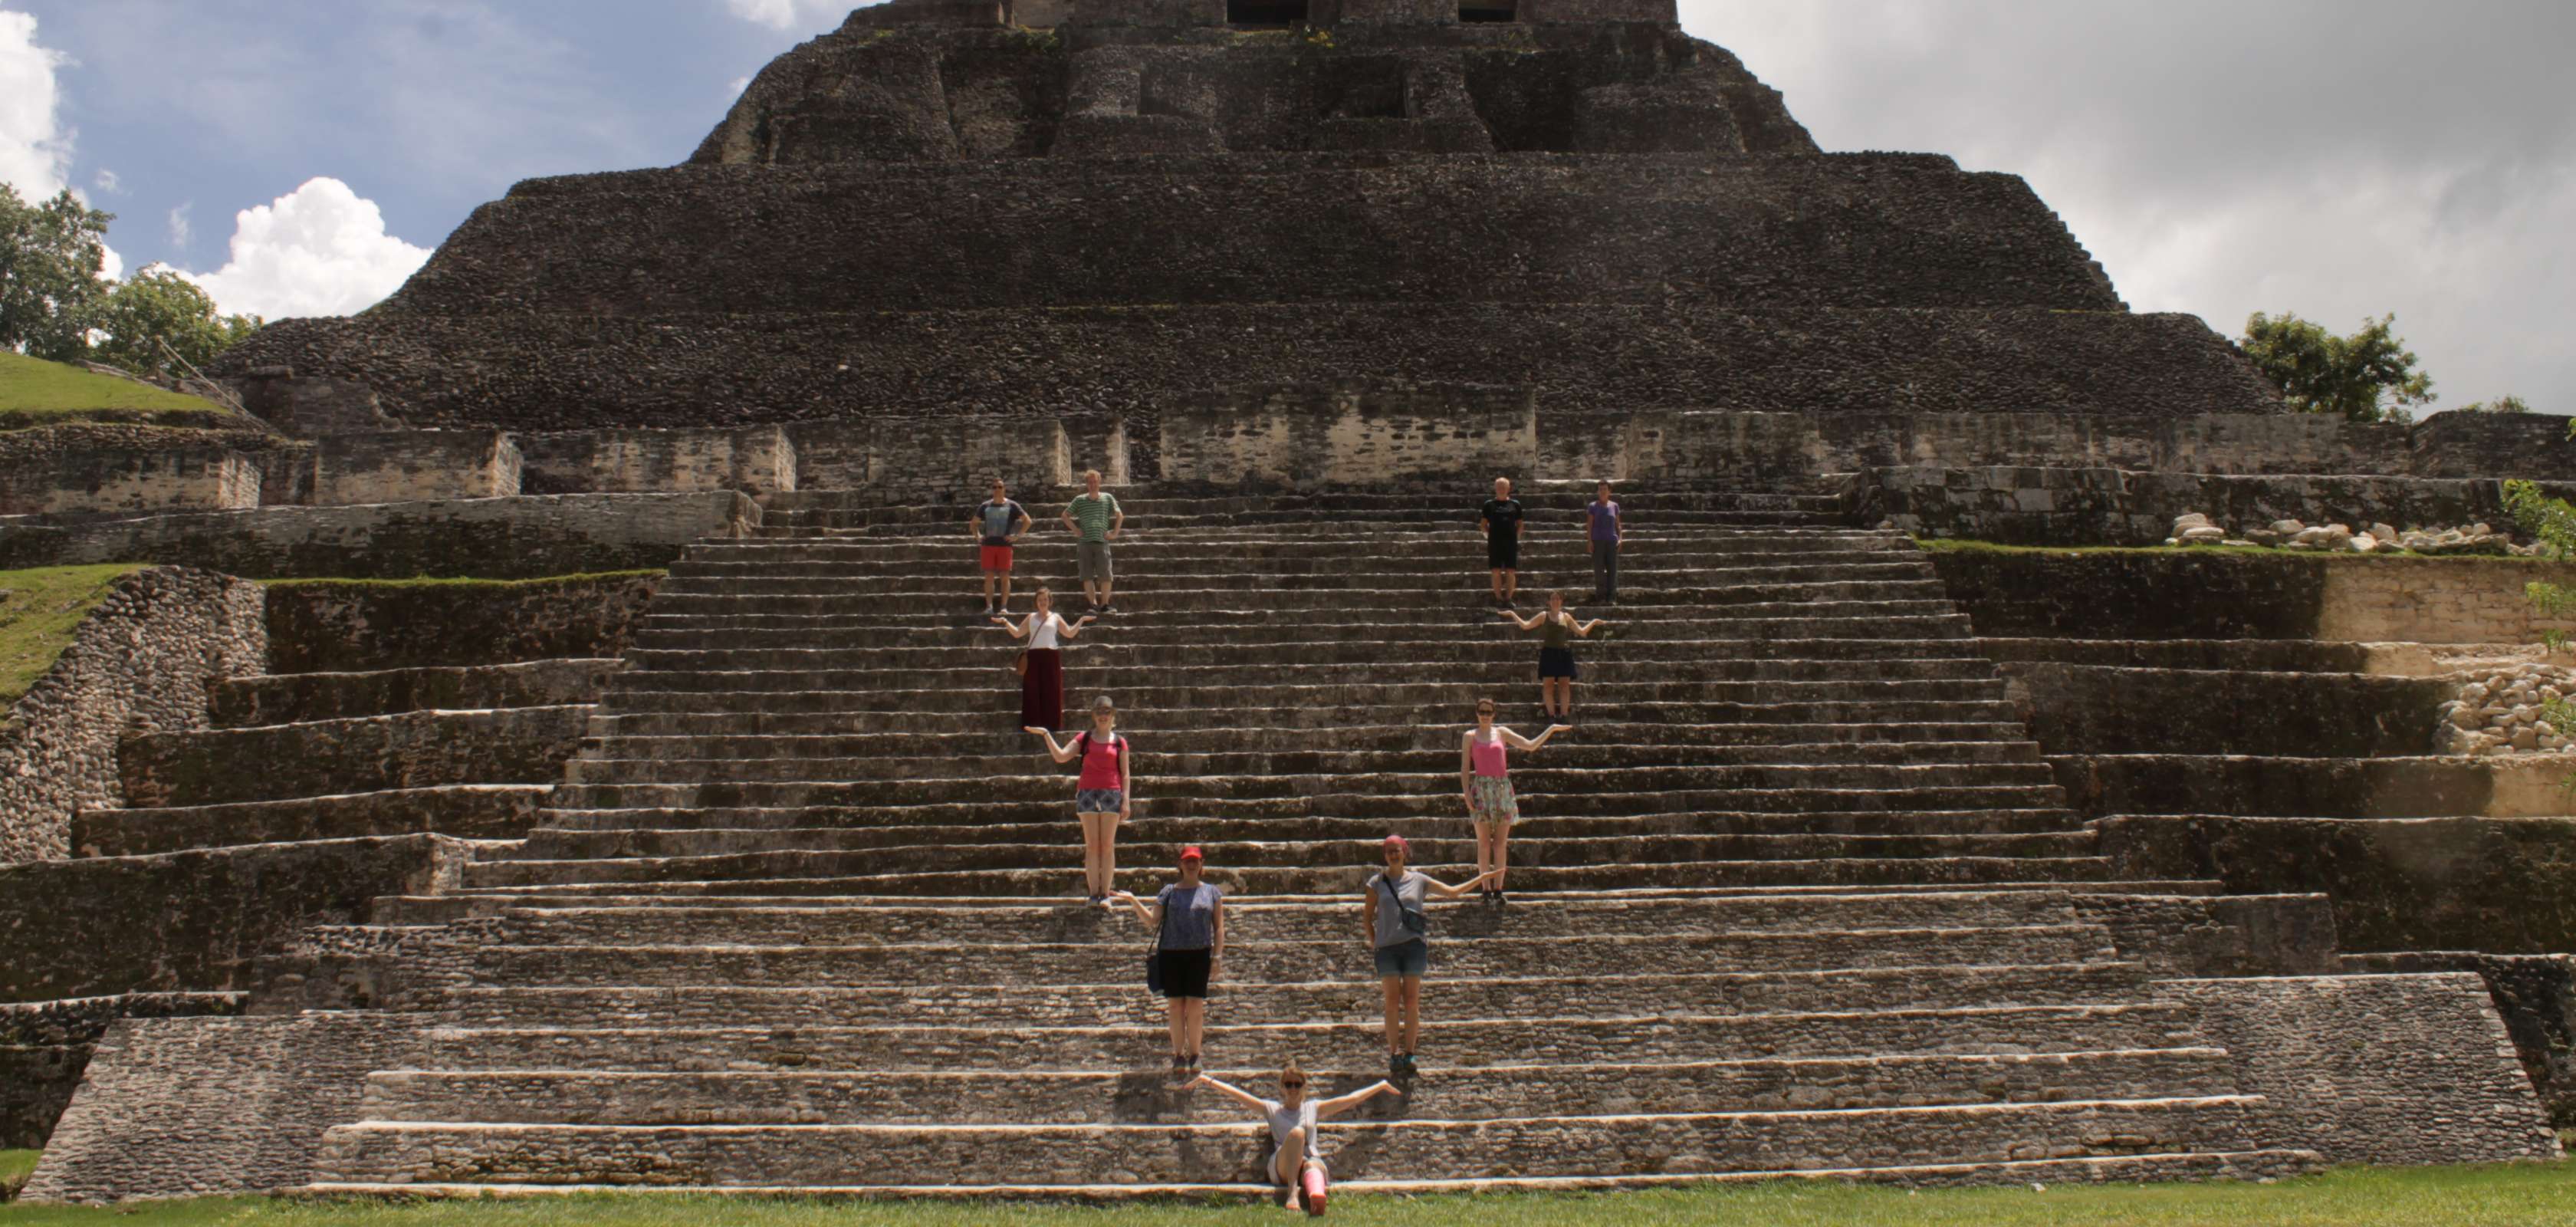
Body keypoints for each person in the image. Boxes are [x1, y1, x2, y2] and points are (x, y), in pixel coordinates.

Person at [1190, 1064, 1403, 1215]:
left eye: (1297, 1084)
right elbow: (1239, 1096)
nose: (1293, 1089)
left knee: (1312, 1163)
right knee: (1298, 1133)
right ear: (1282, 1088)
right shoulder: (1272, 1109)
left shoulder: (1313, 1108)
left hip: (1309, 1162)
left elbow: (1349, 1100)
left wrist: (1381, 1085)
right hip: (1282, 1165)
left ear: (1304, 1088)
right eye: (1289, 1084)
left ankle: (1316, 1197)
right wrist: (1207, 1080)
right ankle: (1292, 1193)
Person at [1362, 834, 1494, 1077]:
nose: (1393, 855)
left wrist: (1481, 879)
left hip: (1413, 946)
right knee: (1392, 1002)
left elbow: (1451, 892)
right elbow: (1368, 917)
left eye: (1397, 850)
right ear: (1385, 855)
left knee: (1411, 1001)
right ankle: (1394, 1053)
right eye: (1389, 851)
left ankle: (1410, 1052)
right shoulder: (1376, 883)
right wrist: (1375, 943)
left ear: (1405, 852)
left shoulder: (1419, 880)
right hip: (1387, 950)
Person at [1109, 844, 1222, 1078]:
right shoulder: (1169, 891)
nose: (1192, 863)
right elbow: (1152, 920)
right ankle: (1179, 1055)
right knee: (1175, 1007)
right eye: (1187, 860)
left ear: (1202, 865)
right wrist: (1133, 900)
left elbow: (1219, 927)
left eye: (1196, 860)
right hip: (1172, 954)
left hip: (1199, 954)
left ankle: (1195, 1054)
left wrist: (1217, 957)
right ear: (1180, 865)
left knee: (1195, 1008)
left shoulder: (1212, 892)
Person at [1458, 699, 1567, 903]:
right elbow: (1465, 768)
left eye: (1489, 711)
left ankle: (1498, 889)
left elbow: (1529, 746)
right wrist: (1466, 794)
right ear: (1476, 713)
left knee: (1500, 844)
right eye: (1482, 711)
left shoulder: (1502, 733)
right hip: (1481, 790)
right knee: (1483, 844)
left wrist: (1550, 729)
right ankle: (1485, 889)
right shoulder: (1469, 736)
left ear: (1494, 714)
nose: (1485, 715)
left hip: (1502, 790)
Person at [1029, 693, 1126, 900]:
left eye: (1107, 711)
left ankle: (1105, 894)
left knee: (1107, 846)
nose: (1103, 715)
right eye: (1099, 711)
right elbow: (1061, 756)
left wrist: (1126, 800)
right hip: (1087, 792)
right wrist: (1047, 735)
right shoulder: (1085, 738)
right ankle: (1094, 894)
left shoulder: (1119, 742)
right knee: (1092, 845)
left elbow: (1125, 773)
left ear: (1113, 715)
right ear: (1093, 715)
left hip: (1112, 791)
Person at [1500, 591, 1608, 722]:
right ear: (1549, 602)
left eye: (1558, 599)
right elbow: (1526, 625)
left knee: (1564, 686)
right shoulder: (1543, 615)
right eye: (1553, 599)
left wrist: (1593, 622)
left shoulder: (1566, 617)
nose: (1555, 601)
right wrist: (1513, 614)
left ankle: (1564, 716)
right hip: (1549, 654)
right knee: (1548, 686)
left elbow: (1581, 631)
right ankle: (1551, 716)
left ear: (1561, 601)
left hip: (1564, 654)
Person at [1001, 587, 1092, 732]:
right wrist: (1006, 622)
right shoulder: (1031, 617)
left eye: (1045, 600)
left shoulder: (1055, 617)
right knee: (1032, 690)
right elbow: (1018, 633)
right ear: (1036, 602)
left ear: (1050, 601)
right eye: (1040, 600)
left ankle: (1052, 724)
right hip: (1034, 657)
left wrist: (1081, 620)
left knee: (1052, 689)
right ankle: (1032, 724)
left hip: (1051, 657)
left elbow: (1069, 633)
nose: (1042, 602)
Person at [1060, 469, 1125, 614]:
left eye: (1095, 482)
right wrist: (1076, 530)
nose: (1092, 484)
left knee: (1106, 574)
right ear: (1086, 484)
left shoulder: (1107, 498)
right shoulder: (1080, 500)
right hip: (1085, 542)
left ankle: (1105, 605)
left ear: (1099, 482)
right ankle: (1093, 605)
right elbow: (1065, 515)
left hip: (1102, 541)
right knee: (1087, 575)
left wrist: (1115, 533)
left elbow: (1119, 515)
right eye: (1090, 482)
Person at [971, 478, 1032, 615]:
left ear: (1004, 489)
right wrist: (977, 537)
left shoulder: (1012, 505)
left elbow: (1027, 521)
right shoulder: (985, 506)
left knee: (1005, 576)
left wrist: (1017, 536)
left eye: (1000, 487)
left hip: (1005, 546)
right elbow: (973, 523)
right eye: (995, 487)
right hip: (988, 546)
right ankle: (989, 607)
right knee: (989, 577)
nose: (997, 490)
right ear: (992, 489)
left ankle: (1004, 607)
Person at [1478, 476, 1525, 610]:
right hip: (1495, 543)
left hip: (1510, 543)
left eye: (1504, 487)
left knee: (1511, 571)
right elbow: (1483, 525)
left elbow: (1520, 524)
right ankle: (1498, 598)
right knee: (1496, 571)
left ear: (1508, 488)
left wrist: (1516, 537)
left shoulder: (1515, 504)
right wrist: (1489, 536)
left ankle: (1509, 598)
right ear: (1495, 488)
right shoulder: (1489, 505)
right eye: (1499, 487)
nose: (1501, 490)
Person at [1586, 480, 1622, 602]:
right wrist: (1590, 541)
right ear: (1598, 491)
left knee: (1613, 570)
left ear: (1609, 491)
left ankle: (1612, 598)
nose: (1602, 491)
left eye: (1605, 489)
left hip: (1612, 542)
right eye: (1600, 489)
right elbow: (1590, 525)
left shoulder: (1615, 506)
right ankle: (1601, 597)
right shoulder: (1593, 506)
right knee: (1599, 571)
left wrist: (1621, 539)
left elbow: (1618, 525)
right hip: (1598, 542)